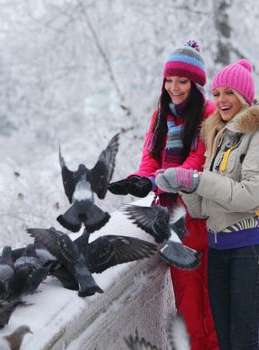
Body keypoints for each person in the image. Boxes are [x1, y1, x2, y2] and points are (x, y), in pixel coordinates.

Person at [108, 41, 218, 350]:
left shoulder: (209, 116)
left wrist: (155, 182)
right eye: (169, 80)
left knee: (214, 306)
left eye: (182, 81)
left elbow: (194, 163)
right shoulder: (160, 117)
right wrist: (138, 181)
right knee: (188, 308)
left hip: (206, 219)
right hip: (174, 225)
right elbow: (150, 162)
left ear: (195, 84)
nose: (174, 87)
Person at [155, 59, 259, 349]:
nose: (221, 100)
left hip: (248, 251)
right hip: (218, 251)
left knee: (245, 340)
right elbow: (202, 209)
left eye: (229, 93)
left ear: (243, 97)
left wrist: (197, 180)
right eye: (216, 93)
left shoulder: (255, 136)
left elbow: (251, 195)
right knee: (225, 341)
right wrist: (183, 184)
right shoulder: (219, 137)